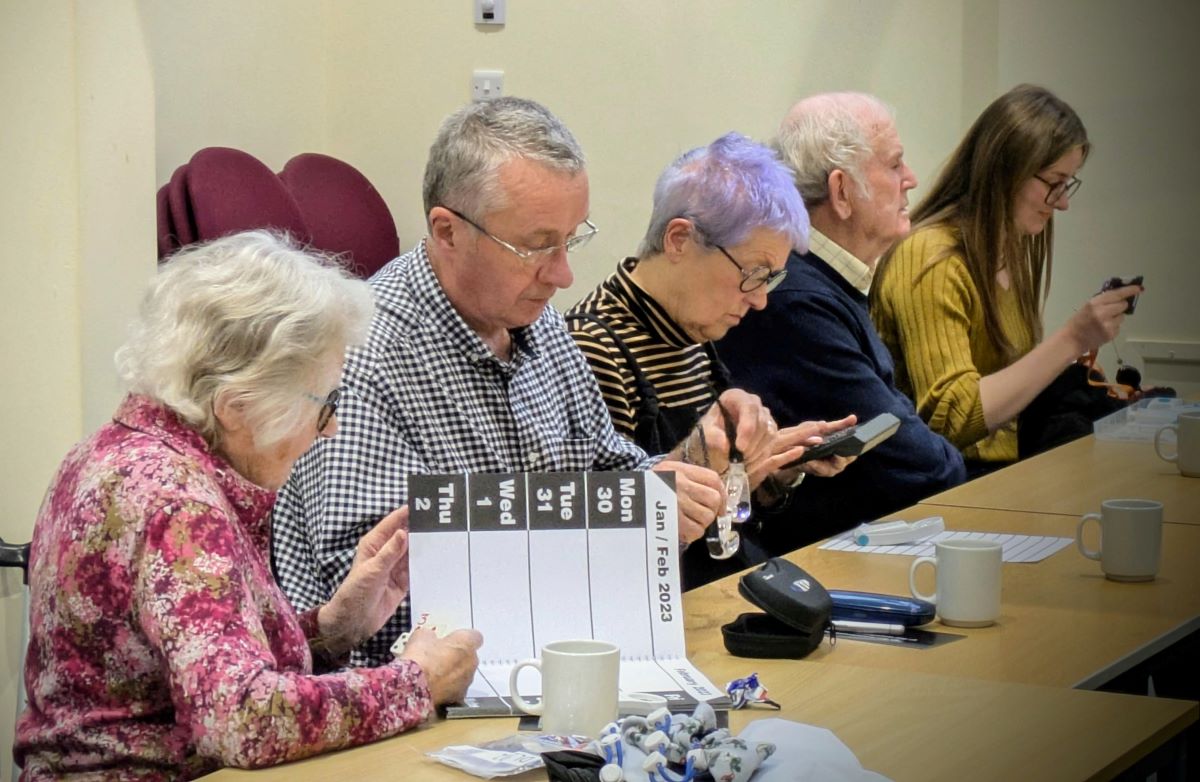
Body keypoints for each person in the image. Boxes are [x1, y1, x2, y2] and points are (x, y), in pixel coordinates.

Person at [272, 97, 779, 665]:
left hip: (548, 657)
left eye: (571, 240)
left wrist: (680, 473)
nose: (563, 275)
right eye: (537, 246)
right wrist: (593, 539)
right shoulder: (363, 359)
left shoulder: (535, 323)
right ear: (448, 232)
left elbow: (608, 469)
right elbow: (372, 610)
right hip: (417, 694)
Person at [14, 231, 482, 780]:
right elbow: (242, 719)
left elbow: (193, 663)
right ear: (237, 405)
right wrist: (416, 683)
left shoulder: (111, 451)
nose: (331, 429)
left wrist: (335, 626)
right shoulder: (178, 503)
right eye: (323, 403)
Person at [566, 131, 855, 586]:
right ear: (679, 239)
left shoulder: (692, 330)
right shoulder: (592, 349)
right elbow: (607, 543)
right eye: (753, 274)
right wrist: (727, 480)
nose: (760, 299)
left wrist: (773, 470)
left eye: (771, 280)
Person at [716, 93, 967, 553]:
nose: (910, 180)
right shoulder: (796, 301)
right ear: (842, 192)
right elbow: (923, 467)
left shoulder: (830, 284)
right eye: (894, 165)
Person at [871, 84, 1140, 471]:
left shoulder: (1008, 250)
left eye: (1069, 184)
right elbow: (950, 419)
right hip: (946, 486)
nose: (1062, 202)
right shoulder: (930, 257)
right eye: (1053, 183)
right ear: (1005, 170)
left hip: (999, 473)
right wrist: (1073, 339)